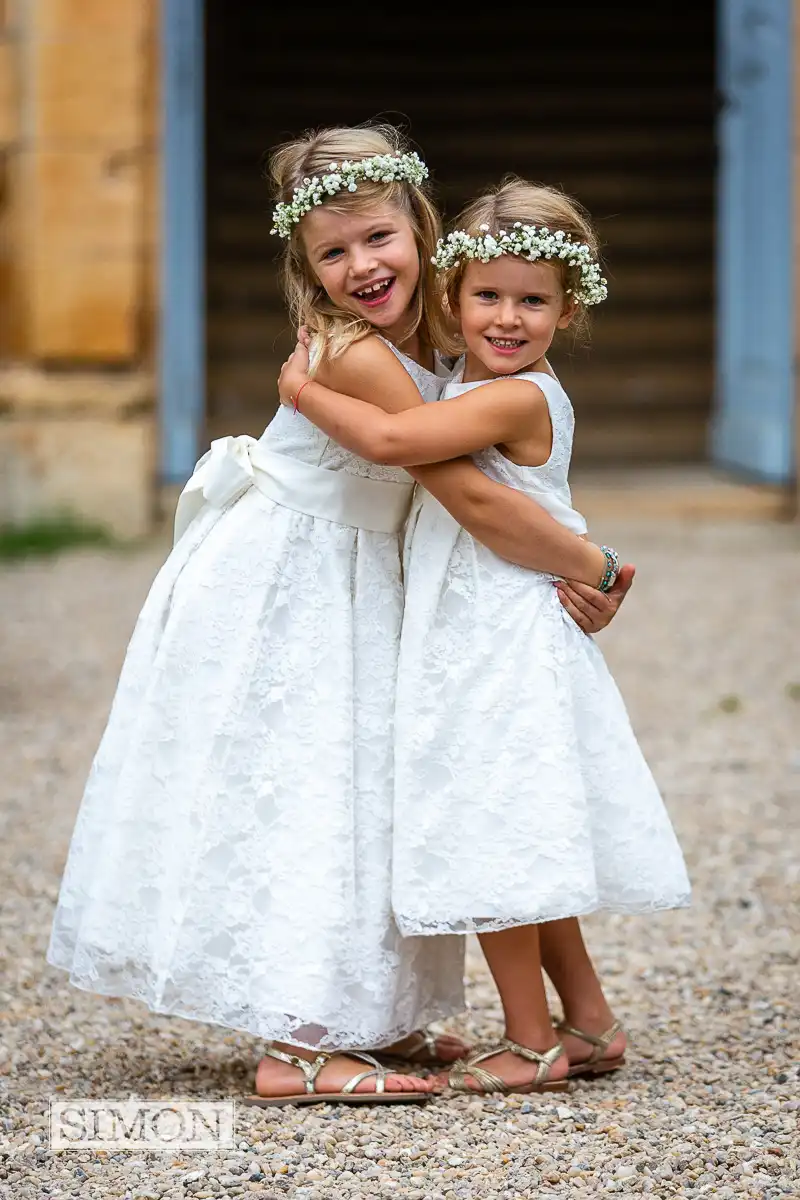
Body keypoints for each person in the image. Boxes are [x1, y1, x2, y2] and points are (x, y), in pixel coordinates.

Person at [46, 128, 629, 1106]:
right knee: (303, 784)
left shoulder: (437, 346)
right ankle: (295, 1046)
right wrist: (593, 564)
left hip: (353, 569)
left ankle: (364, 1016)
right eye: (332, 253)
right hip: (291, 571)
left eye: (377, 240)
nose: (361, 266)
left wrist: (578, 569)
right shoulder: (350, 357)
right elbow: (467, 493)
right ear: (305, 267)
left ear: (419, 230)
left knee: (361, 791)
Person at [277, 178, 691, 1096]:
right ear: (452, 299)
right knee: (516, 818)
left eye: (533, 301)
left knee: (492, 826)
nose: (508, 318)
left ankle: (531, 1042)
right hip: (486, 620)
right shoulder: (478, 377)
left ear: (567, 309)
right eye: (489, 297)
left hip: (495, 632)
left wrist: (300, 389)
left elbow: (393, 443)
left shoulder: (515, 399)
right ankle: (589, 1022)